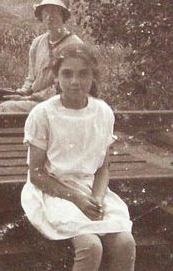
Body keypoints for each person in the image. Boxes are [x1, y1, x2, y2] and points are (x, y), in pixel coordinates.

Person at [20, 43, 136, 271]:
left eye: (83, 74)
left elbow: (103, 167)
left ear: (93, 77)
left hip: (90, 191)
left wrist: (98, 198)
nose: (75, 81)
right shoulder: (43, 114)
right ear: (55, 77)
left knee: (125, 244)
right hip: (54, 192)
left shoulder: (102, 112)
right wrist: (77, 199)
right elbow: (36, 175)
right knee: (91, 246)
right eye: (67, 74)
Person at [0, 0, 82, 113]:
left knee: (5, 108)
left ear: (63, 16)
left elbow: (62, 88)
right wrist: (20, 93)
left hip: (59, 103)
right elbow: (31, 79)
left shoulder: (74, 46)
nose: (49, 17)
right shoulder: (38, 43)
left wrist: (28, 98)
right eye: (46, 13)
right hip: (35, 100)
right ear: (41, 17)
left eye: (54, 12)